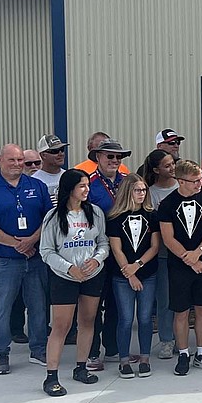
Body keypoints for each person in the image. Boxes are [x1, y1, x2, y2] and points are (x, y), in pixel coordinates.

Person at [0, 144, 52, 375]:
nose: (17, 164)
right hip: (4, 259)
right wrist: (16, 244)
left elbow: (48, 218)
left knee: (38, 305)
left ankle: (38, 349)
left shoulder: (37, 186)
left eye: (21, 160)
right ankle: (0, 353)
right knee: (1, 307)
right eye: (12, 160)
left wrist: (31, 241)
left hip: (35, 257)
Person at [38, 169, 109, 396]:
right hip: (64, 277)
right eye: (82, 186)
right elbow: (46, 251)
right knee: (61, 326)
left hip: (91, 275)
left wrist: (97, 262)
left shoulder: (95, 213)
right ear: (69, 189)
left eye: (87, 185)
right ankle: (51, 376)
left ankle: (81, 367)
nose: (86, 190)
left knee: (88, 321)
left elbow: (103, 244)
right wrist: (69, 268)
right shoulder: (53, 217)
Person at [157, 160, 202, 376]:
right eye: (194, 181)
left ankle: (201, 352)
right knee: (181, 311)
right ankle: (184, 352)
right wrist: (190, 259)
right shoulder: (167, 204)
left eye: (200, 180)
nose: (199, 184)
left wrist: (199, 252)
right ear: (181, 181)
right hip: (180, 264)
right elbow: (168, 237)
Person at [106, 174, 161, 379]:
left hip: (147, 272)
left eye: (144, 190)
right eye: (137, 190)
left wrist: (137, 266)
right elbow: (116, 248)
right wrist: (128, 273)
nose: (141, 194)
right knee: (126, 318)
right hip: (122, 275)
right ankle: (123, 360)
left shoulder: (152, 216)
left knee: (145, 317)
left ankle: (145, 358)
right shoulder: (114, 217)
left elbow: (155, 246)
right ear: (127, 192)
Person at [85, 138, 130, 371]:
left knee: (116, 303)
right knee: (94, 304)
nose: (115, 160)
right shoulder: (89, 185)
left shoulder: (128, 183)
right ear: (98, 157)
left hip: (122, 251)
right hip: (96, 252)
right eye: (110, 156)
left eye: (119, 157)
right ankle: (92, 352)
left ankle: (112, 348)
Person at [142, 150, 178, 359]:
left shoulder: (181, 187)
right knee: (164, 299)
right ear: (156, 170)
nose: (172, 168)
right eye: (167, 166)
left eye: (173, 164)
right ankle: (166, 339)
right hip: (164, 253)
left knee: (182, 298)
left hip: (185, 253)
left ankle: (180, 339)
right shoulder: (151, 193)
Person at [32, 134, 69, 204]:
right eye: (55, 151)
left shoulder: (69, 176)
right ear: (43, 155)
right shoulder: (34, 181)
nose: (61, 154)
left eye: (62, 149)